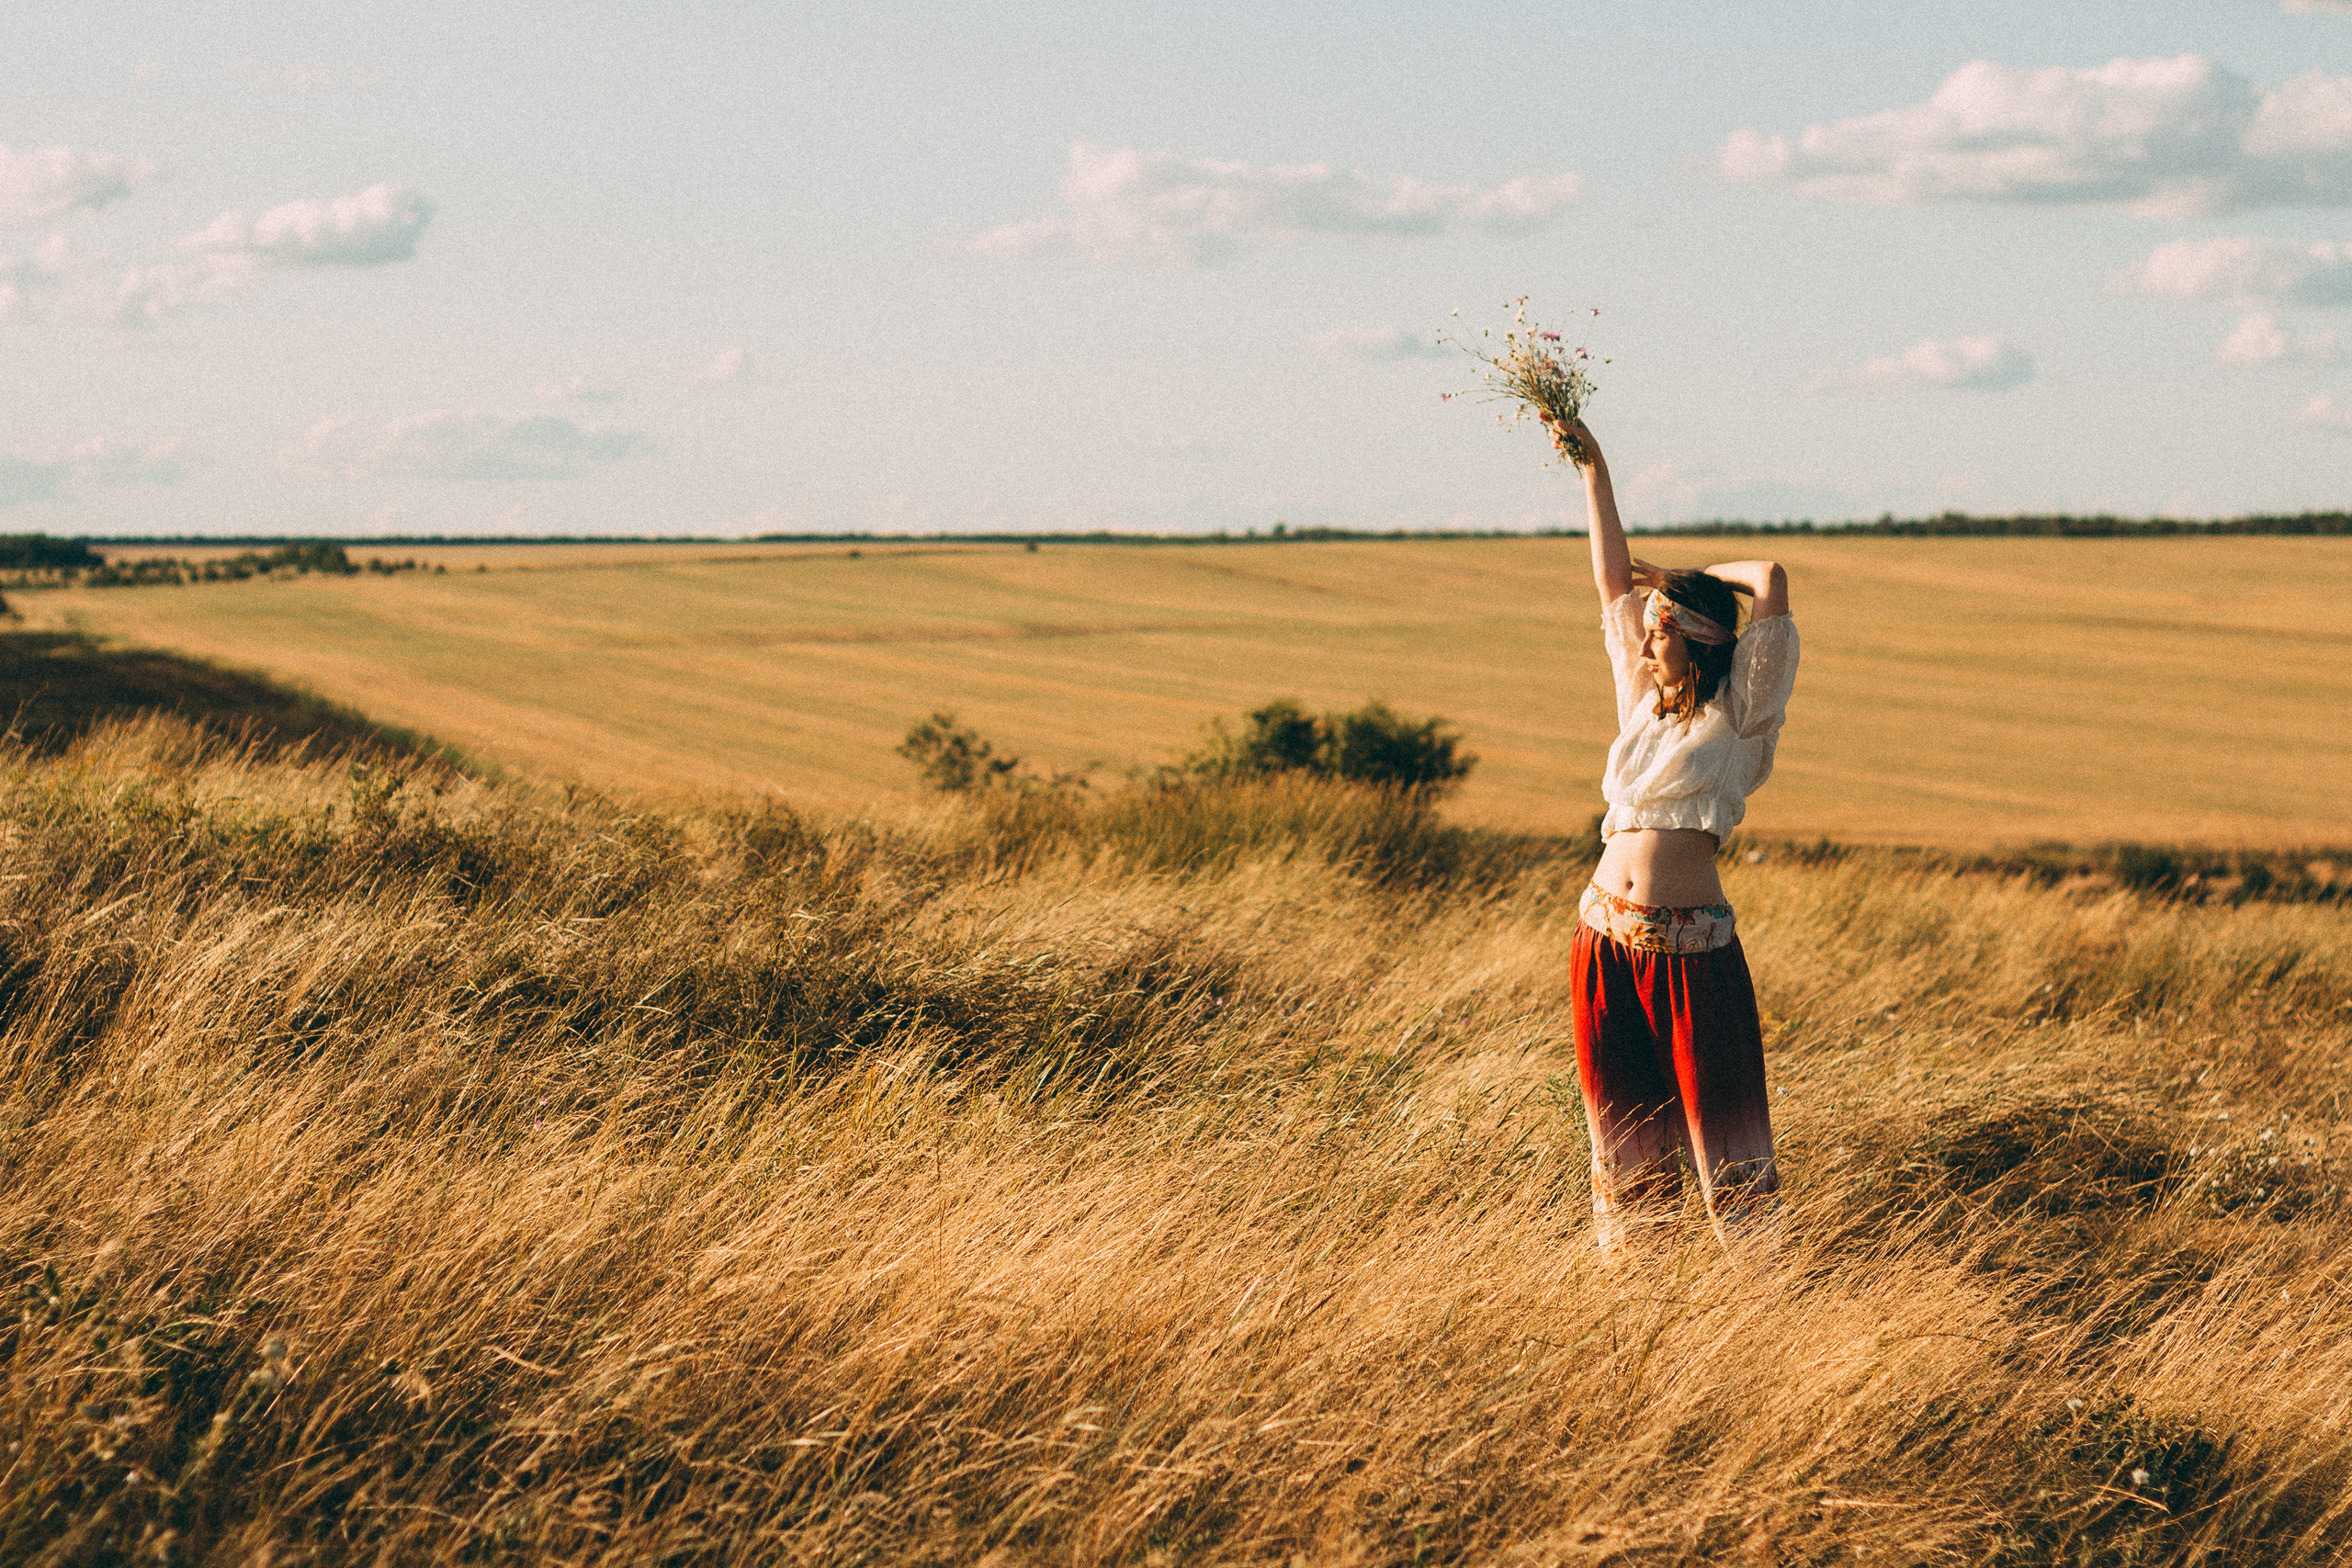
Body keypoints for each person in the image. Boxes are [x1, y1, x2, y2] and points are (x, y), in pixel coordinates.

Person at [1548, 412, 1799, 1254]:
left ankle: (1757, 1303)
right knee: (1623, 1149)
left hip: (1692, 953)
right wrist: (1595, 469)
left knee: (1729, 1154)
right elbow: (1609, 580)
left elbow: (1768, 576)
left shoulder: (1741, 714)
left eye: (1662, 627)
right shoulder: (1641, 704)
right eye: (1650, 626)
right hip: (1602, 937)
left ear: (1699, 638)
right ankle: (1639, 1310)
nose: (1645, 637)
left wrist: (1685, 576)